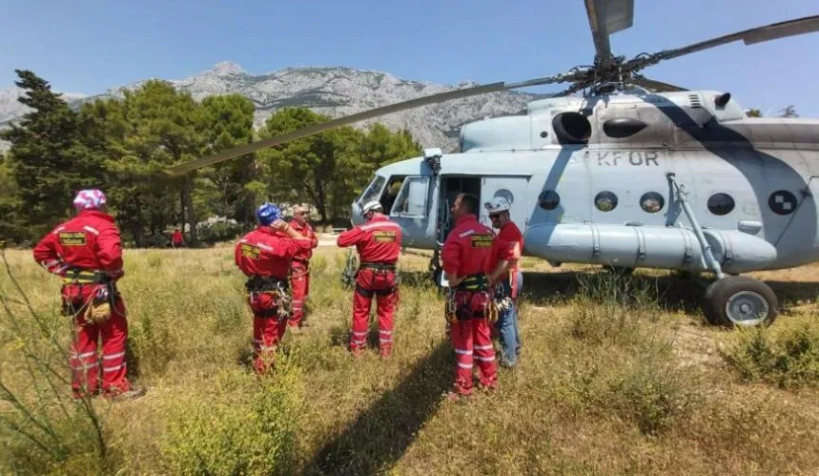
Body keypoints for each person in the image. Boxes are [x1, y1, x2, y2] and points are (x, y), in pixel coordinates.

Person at [32, 189, 145, 400]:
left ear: (78, 207)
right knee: (114, 335)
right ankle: (115, 388)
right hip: (100, 292)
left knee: (83, 339)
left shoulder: (62, 229)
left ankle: (84, 390)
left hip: (73, 293)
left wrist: (63, 271)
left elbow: (40, 253)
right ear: (101, 205)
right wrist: (111, 273)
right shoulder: (103, 226)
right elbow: (111, 256)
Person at [235, 203, 311, 374]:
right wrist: (288, 229)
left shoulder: (245, 240)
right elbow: (306, 245)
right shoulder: (278, 243)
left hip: (254, 292)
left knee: (259, 326)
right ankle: (265, 372)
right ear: (276, 220)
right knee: (271, 332)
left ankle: (257, 359)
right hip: (273, 294)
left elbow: (240, 262)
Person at [441, 193, 498, 398]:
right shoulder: (488, 233)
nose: (453, 208)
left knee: (464, 342)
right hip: (483, 297)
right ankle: (489, 380)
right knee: (484, 338)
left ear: (464, 208)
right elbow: (498, 259)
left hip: (464, 297)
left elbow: (452, 273)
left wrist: (455, 279)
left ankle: (464, 386)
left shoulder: (457, 235)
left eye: (455, 204)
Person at [337, 201, 402, 358]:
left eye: (366, 216)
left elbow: (341, 241)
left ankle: (358, 349)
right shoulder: (396, 228)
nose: (366, 219)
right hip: (388, 275)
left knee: (361, 311)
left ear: (370, 213)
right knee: (386, 311)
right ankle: (385, 350)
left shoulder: (364, 229)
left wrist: (356, 232)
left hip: (368, 275)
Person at [485, 197, 524, 367]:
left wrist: (492, 277)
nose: (494, 220)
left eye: (497, 216)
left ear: (507, 214)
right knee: (510, 314)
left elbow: (512, 256)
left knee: (504, 320)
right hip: (511, 277)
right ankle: (515, 347)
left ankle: (509, 359)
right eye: (491, 216)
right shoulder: (506, 230)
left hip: (508, 278)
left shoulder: (510, 231)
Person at [287, 205, 319, 330]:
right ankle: (293, 323)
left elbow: (315, 242)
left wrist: (308, 242)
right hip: (295, 263)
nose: (305, 215)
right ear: (295, 215)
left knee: (304, 293)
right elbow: (290, 246)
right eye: (302, 213)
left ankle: (299, 319)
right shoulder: (289, 229)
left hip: (305, 263)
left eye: (306, 213)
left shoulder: (308, 227)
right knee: (298, 295)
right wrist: (306, 242)